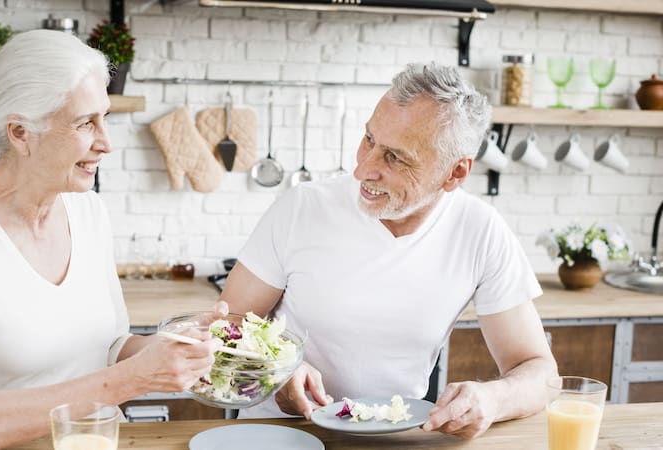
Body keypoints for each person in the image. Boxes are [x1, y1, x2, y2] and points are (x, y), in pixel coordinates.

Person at [0, 30, 222, 450]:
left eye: (104, 117)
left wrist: (173, 344)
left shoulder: (89, 211)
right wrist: (136, 377)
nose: (106, 142)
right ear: (20, 133)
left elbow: (108, 347)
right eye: (84, 123)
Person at [219, 63, 558, 439]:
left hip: (397, 440)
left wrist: (494, 398)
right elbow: (222, 328)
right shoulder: (301, 208)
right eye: (368, 139)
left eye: (395, 157)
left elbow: (540, 373)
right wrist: (274, 372)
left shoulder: (480, 231)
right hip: (279, 435)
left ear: (455, 173)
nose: (363, 169)